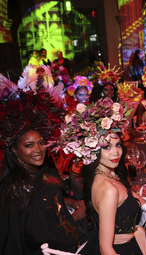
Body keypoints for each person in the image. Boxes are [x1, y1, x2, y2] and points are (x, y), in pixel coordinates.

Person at [57, 97, 146, 254]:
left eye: (118, 145)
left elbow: (127, 193)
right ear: (93, 149)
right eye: (107, 147)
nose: (116, 152)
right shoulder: (108, 190)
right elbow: (105, 248)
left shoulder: (107, 174)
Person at [0, 70, 86, 254]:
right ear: (14, 149)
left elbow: (48, 195)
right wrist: (76, 217)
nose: (38, 150)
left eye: (41, 143)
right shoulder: (19, 189)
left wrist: (69, 202)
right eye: (29, 145)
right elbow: (40, 236)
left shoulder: (40, 169)